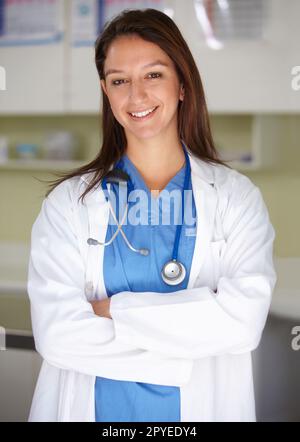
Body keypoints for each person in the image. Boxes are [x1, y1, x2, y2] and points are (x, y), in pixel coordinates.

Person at [27, 8, 277, 422]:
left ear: (182, 84)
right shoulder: (69, 204)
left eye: (154, 74)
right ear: (106, 91)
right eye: (119, 80)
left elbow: (242, 323)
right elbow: (57, 336)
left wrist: (110, 310)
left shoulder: (236, 199)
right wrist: (184, 352)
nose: (136, 96)